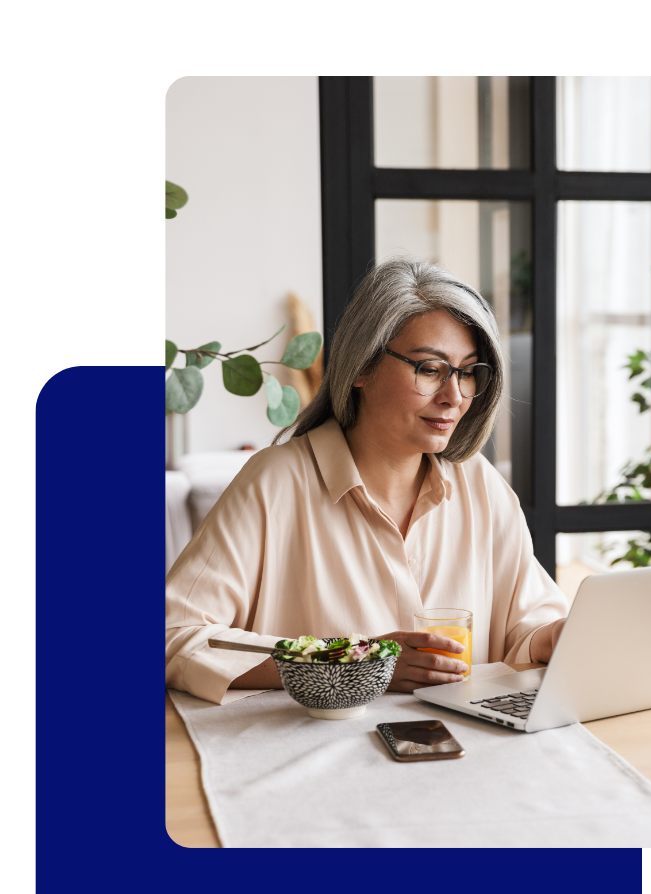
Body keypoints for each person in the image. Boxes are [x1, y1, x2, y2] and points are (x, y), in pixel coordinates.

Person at [166, 257, 568, 703]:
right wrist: (353, 661)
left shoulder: (481, 486)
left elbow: (527, 625)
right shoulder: (274, 483)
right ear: (361, 367)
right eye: (429, 369)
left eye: (468, 371)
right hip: (319, 746)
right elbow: (176, 635)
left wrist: (553, 637)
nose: (454, 396)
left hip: (466, 742)